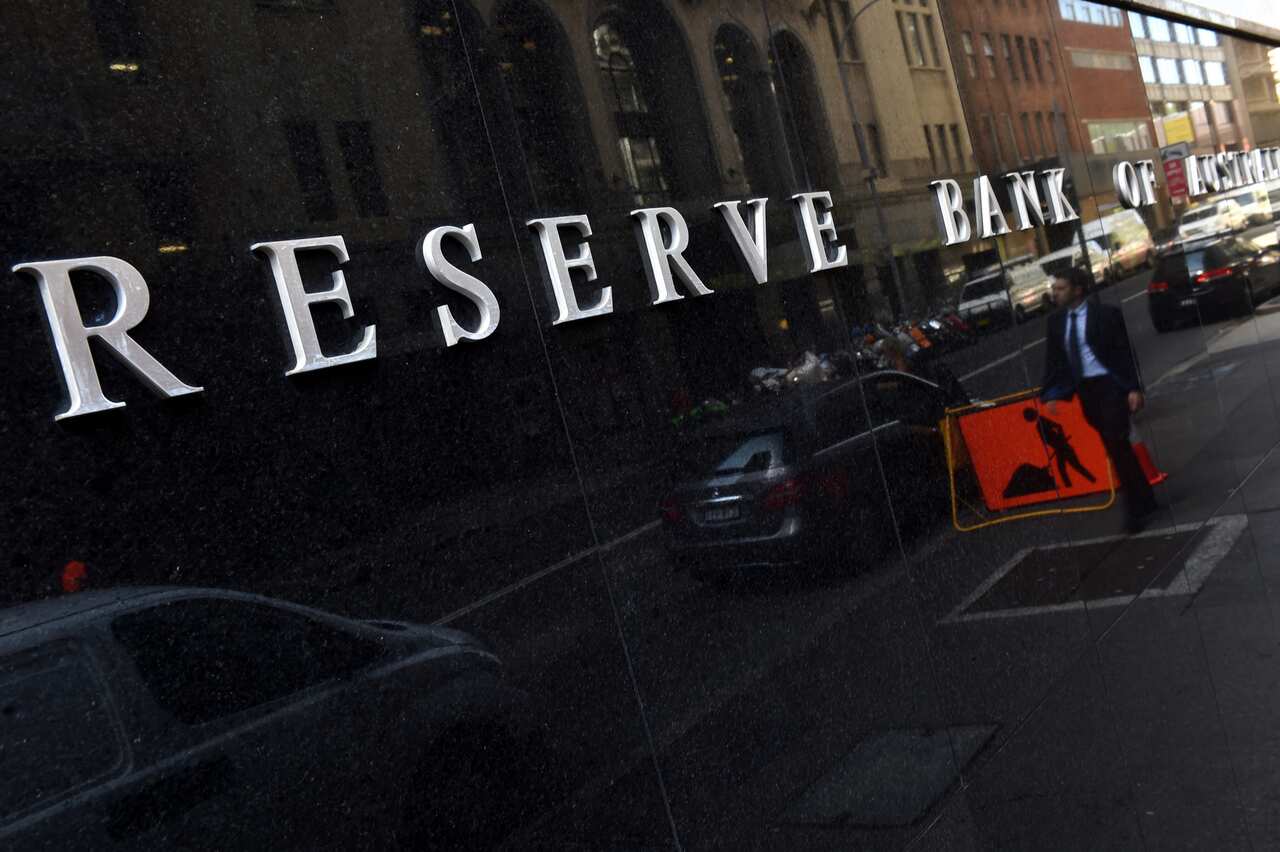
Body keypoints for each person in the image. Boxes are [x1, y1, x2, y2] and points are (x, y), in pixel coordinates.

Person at [1041, 266, 1158, 532]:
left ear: (1077, 290)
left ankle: (1133, 512)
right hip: (1086, 391)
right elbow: (1054, 360)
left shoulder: (1106, 315)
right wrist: (1051, 393)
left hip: (1111, 386)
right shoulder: (1056, 322)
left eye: (1061, 288)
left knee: (1116, 445)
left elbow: (1124, 353)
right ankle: (1146, 499)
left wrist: (1134, 389)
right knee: (1118, 447)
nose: (1055, 293)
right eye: (1054, 289)